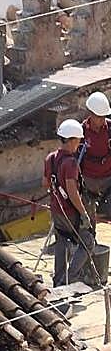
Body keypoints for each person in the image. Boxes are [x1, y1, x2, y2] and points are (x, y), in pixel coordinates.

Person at [45, 118, 98, 288]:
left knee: (62, 242)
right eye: (78, 141)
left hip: (56, 210)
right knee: (88, 242)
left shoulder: (50, 158)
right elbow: (72, 192)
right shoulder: (71, 163)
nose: (79, 144)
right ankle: (70, 278)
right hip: (70, 213)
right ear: (73, 140)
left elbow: (45, 183)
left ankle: (59, 281)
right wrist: (83, 214)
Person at [82, 91, 111, 216]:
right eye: (99, 117)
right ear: (91, 114)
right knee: (89, 218)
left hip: (108, 179)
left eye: (104, 116)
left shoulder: (110, 128)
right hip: (88, 181)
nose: (102, 120)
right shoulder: (81, 131)